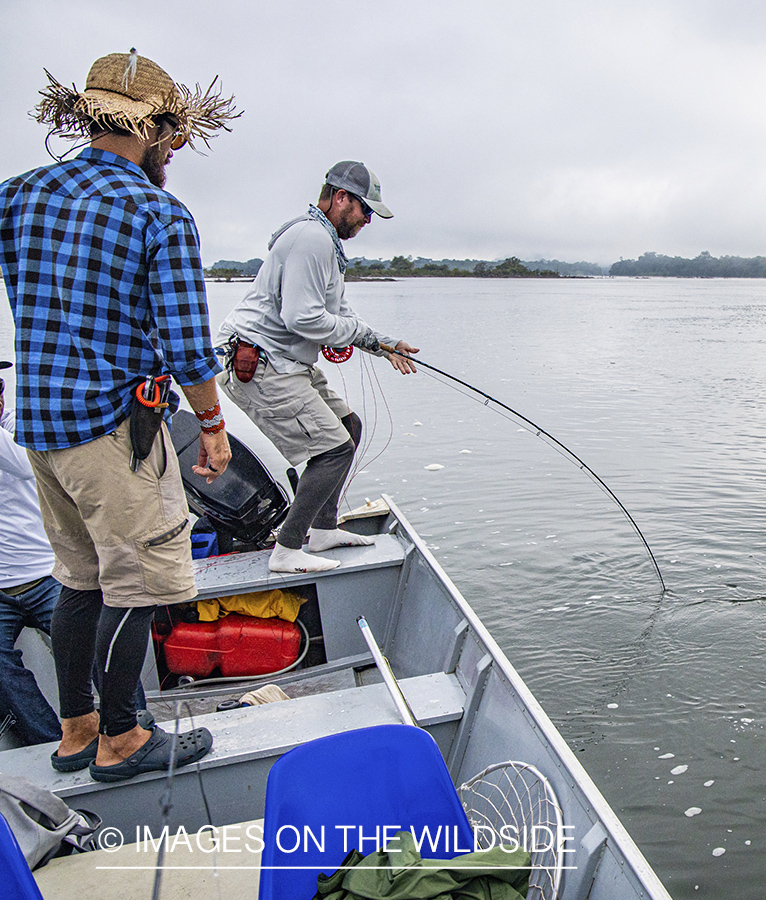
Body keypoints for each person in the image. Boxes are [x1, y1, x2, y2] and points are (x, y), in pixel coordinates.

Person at [0, 50, 238, 781]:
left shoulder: (16, 195)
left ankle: (76, 732)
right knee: (137, 585)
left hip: (41, 432)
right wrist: (213, 425)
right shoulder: (156, 212)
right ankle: (123, 739)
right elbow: (188, 346)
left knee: (80, 581)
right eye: (172, 139)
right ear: (161, 129)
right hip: (113, 433)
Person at [216, 161, 418, 573]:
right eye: (365, 210)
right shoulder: (311, 239)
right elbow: (303, 319)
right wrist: (362, 337)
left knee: (348, 428)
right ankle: (287, 549)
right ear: (341, 198)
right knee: (333, 450)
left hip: (286, 362)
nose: (367, 220)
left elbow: (339, 314)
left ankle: (322, 530)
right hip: (259, 363)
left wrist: (384, 344)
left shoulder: (326, 243)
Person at [0, 360, 62, 746]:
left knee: (93, 652)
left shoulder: (18, 428)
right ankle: (47, 742)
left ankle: (130, 728)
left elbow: (28, 465)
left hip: (47, 575)